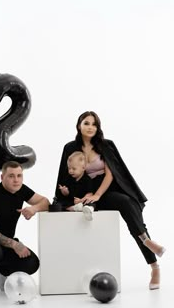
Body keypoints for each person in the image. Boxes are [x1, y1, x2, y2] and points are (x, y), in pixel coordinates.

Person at [55, 111, 166, 290]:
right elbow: (65, 173)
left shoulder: (106, 145)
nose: (90, 127)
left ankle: (152, 261)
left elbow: (110, 173)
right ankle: (145, 241)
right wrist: (67, 195)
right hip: (84, 191)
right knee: (79, 207)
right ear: (79, 126)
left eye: (94, 124)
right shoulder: (70, 147)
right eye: (86, 123)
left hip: (106, 189)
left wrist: (97, 194)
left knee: (127, 204)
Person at [0, 161, 49, 295]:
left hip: (4, 244)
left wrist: (33, 208)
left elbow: (45, 202)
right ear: (2, 177)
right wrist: (14, 244)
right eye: (11, 176)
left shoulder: (21, 189)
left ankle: (1, 272)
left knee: (31, 263)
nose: (16, 180)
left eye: (19, 175)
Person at [58, 151, 95, 220]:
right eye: (69, 168)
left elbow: (89, 194)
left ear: (83, 168)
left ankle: (88, 209)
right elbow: (68, 195)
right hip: (73, 201)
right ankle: (75, 208)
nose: (70, 171)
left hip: (83, 200)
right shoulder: (69, 179)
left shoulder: (87, 180)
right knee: (60, 203)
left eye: (74, 169)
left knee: (92, 202)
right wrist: (65, 191)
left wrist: (81, 200)